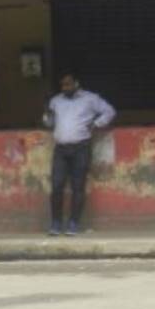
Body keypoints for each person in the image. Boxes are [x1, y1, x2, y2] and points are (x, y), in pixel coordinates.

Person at [42, 73, 116, 236]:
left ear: (77, 83)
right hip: (60, 149)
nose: (65, 88)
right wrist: (47, 113)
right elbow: (49, 124)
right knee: (56, 187)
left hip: (81, 148)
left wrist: (96, 123)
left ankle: (74, 223)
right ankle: (55, 223)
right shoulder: (56, 101)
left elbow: (109, 111)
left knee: (78, 187)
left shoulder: (90, 99)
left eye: (68, 84)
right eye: (63, 85)